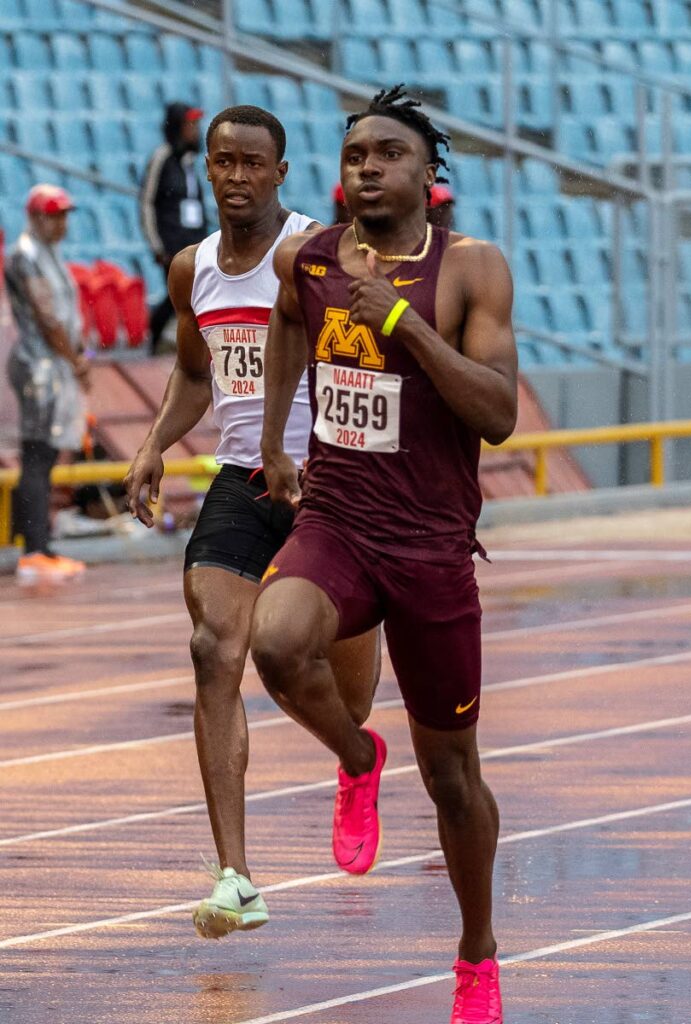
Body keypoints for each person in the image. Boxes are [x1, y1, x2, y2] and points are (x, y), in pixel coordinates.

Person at [250, 85, 517, 1024]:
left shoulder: (469, 270)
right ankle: (357, 755)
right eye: (355, 152)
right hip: (340, 521)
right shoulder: (310, 255)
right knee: (275, 643)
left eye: (387, 153)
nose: (366, 166)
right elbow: (288, 318)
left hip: (433, 548)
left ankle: (476, 954)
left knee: (452, 779)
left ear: (425, 173)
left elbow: (497, 413)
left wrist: (400, 325)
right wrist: (278, 441)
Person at [124, 105, 380, 940]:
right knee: (213, 650)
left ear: (279, 173)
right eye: (221, 162)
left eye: (250, 164)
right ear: (205, 169)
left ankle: (356, 760)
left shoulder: (314, 251)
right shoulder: (188, 267)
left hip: (335, 481)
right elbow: (196, 375)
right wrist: (154, 445)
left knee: (343, 690)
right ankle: (236, 877)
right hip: (243, 480)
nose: (235, 176)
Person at [5, 184, 90, 582]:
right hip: (39, 365)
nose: (62, 224)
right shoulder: (25, 256)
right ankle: (34, 549)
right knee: (37, 456)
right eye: (55, 216)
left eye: (64, 216)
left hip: (53, 363)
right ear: (37, 217)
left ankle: (41, 544)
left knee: (45, 456)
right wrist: (75, 361)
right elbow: (45, 316)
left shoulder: (48, 254)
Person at [140, 102, 208, 353]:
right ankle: (157, 340)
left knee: (187, 298)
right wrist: (157, 245)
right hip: (172, 245)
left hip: (195, 243)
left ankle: (169, 344)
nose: (194, 130)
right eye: (189, 125)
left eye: (196, 125)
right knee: (179, 298)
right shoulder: (162, 158)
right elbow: (147, 202)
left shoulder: (190, 162)